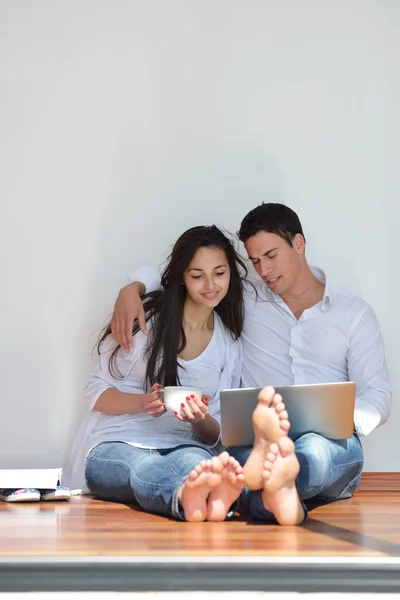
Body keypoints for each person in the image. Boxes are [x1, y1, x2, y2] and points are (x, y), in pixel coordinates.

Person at [111, 203, 392, 517]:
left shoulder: (353, 315)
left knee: (312, 452)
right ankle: (281, 498)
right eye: (256, 261)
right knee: (242, 469)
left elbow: (377, 397)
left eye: (271, 256)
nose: (264, 271)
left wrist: (338, 420)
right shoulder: (246, 296)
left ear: (298, 244)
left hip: (328, 440)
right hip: (258, 441)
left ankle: (281, 481)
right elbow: (181, 277)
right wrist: (131, 289)